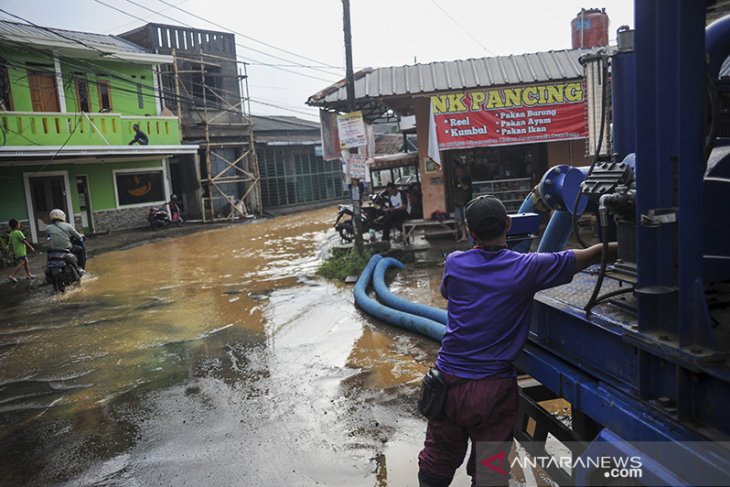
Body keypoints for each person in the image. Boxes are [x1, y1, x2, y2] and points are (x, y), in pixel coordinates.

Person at [417, 195, 617, 487]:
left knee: (437, 459)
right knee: (491, 470)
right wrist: (635, 244)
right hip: (493, 391)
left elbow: (448, 293)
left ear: (470, 232)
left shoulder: (455, 263)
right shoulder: (528, 268)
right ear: (509, 224)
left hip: (448, 383)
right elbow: (585, 256)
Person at [452, 166, 472, 242]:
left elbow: (465, 188)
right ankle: (464, 236)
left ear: (463, 171)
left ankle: (470, 237)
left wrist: (460, 181)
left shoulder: (467, 179)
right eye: (457, 172)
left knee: (466, 221)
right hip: (458, 203)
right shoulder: (455, 180)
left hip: (466, 202)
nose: (458, 173)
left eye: (459, 171)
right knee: (460, 221)